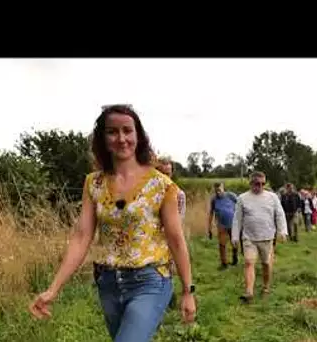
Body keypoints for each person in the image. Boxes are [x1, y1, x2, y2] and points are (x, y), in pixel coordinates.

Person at [28, 104, 196, 342]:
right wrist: (53, 289)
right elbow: (81, 236)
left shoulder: (162, 186)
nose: (121, 138)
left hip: (149, 281)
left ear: (138, 135)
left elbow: (176, 240)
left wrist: (188, 291)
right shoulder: (93, 184)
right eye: (112, 132)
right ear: (103, 138)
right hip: (108, 283)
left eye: (127, 130)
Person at [231, 171, 288, 303]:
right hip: (249, 238)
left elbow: (279, 214)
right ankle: (249, 292)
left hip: (267, 237)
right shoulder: (242, 198)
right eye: (257, 183)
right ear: (251, 183)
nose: (260, 186)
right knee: (249, 262)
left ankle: (266, 287)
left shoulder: (272, 197)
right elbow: (237, 219)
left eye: (263, 184)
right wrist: (235, 236)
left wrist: (282, 231)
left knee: (266, 264)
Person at [155, 158, 187, 310]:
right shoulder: (148, 192)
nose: (165, 176)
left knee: (167, 268)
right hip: (149, 239)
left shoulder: (178, 194)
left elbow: (178, 220)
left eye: (168, 173)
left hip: (167, 237)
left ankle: (168, 298)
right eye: (162, 173)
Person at [206, 182, 239, 270]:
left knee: (234, 242)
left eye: (219, 190)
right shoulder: (214, 200)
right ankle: (224, 264)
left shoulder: (231, 196)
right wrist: (209, 227)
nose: (218, 193)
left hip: (233, 223)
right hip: (221, 225)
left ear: (223, 188)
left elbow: (240, 204)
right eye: (216, 191)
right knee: (222, 244)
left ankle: (235, 257)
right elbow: (211, 213)